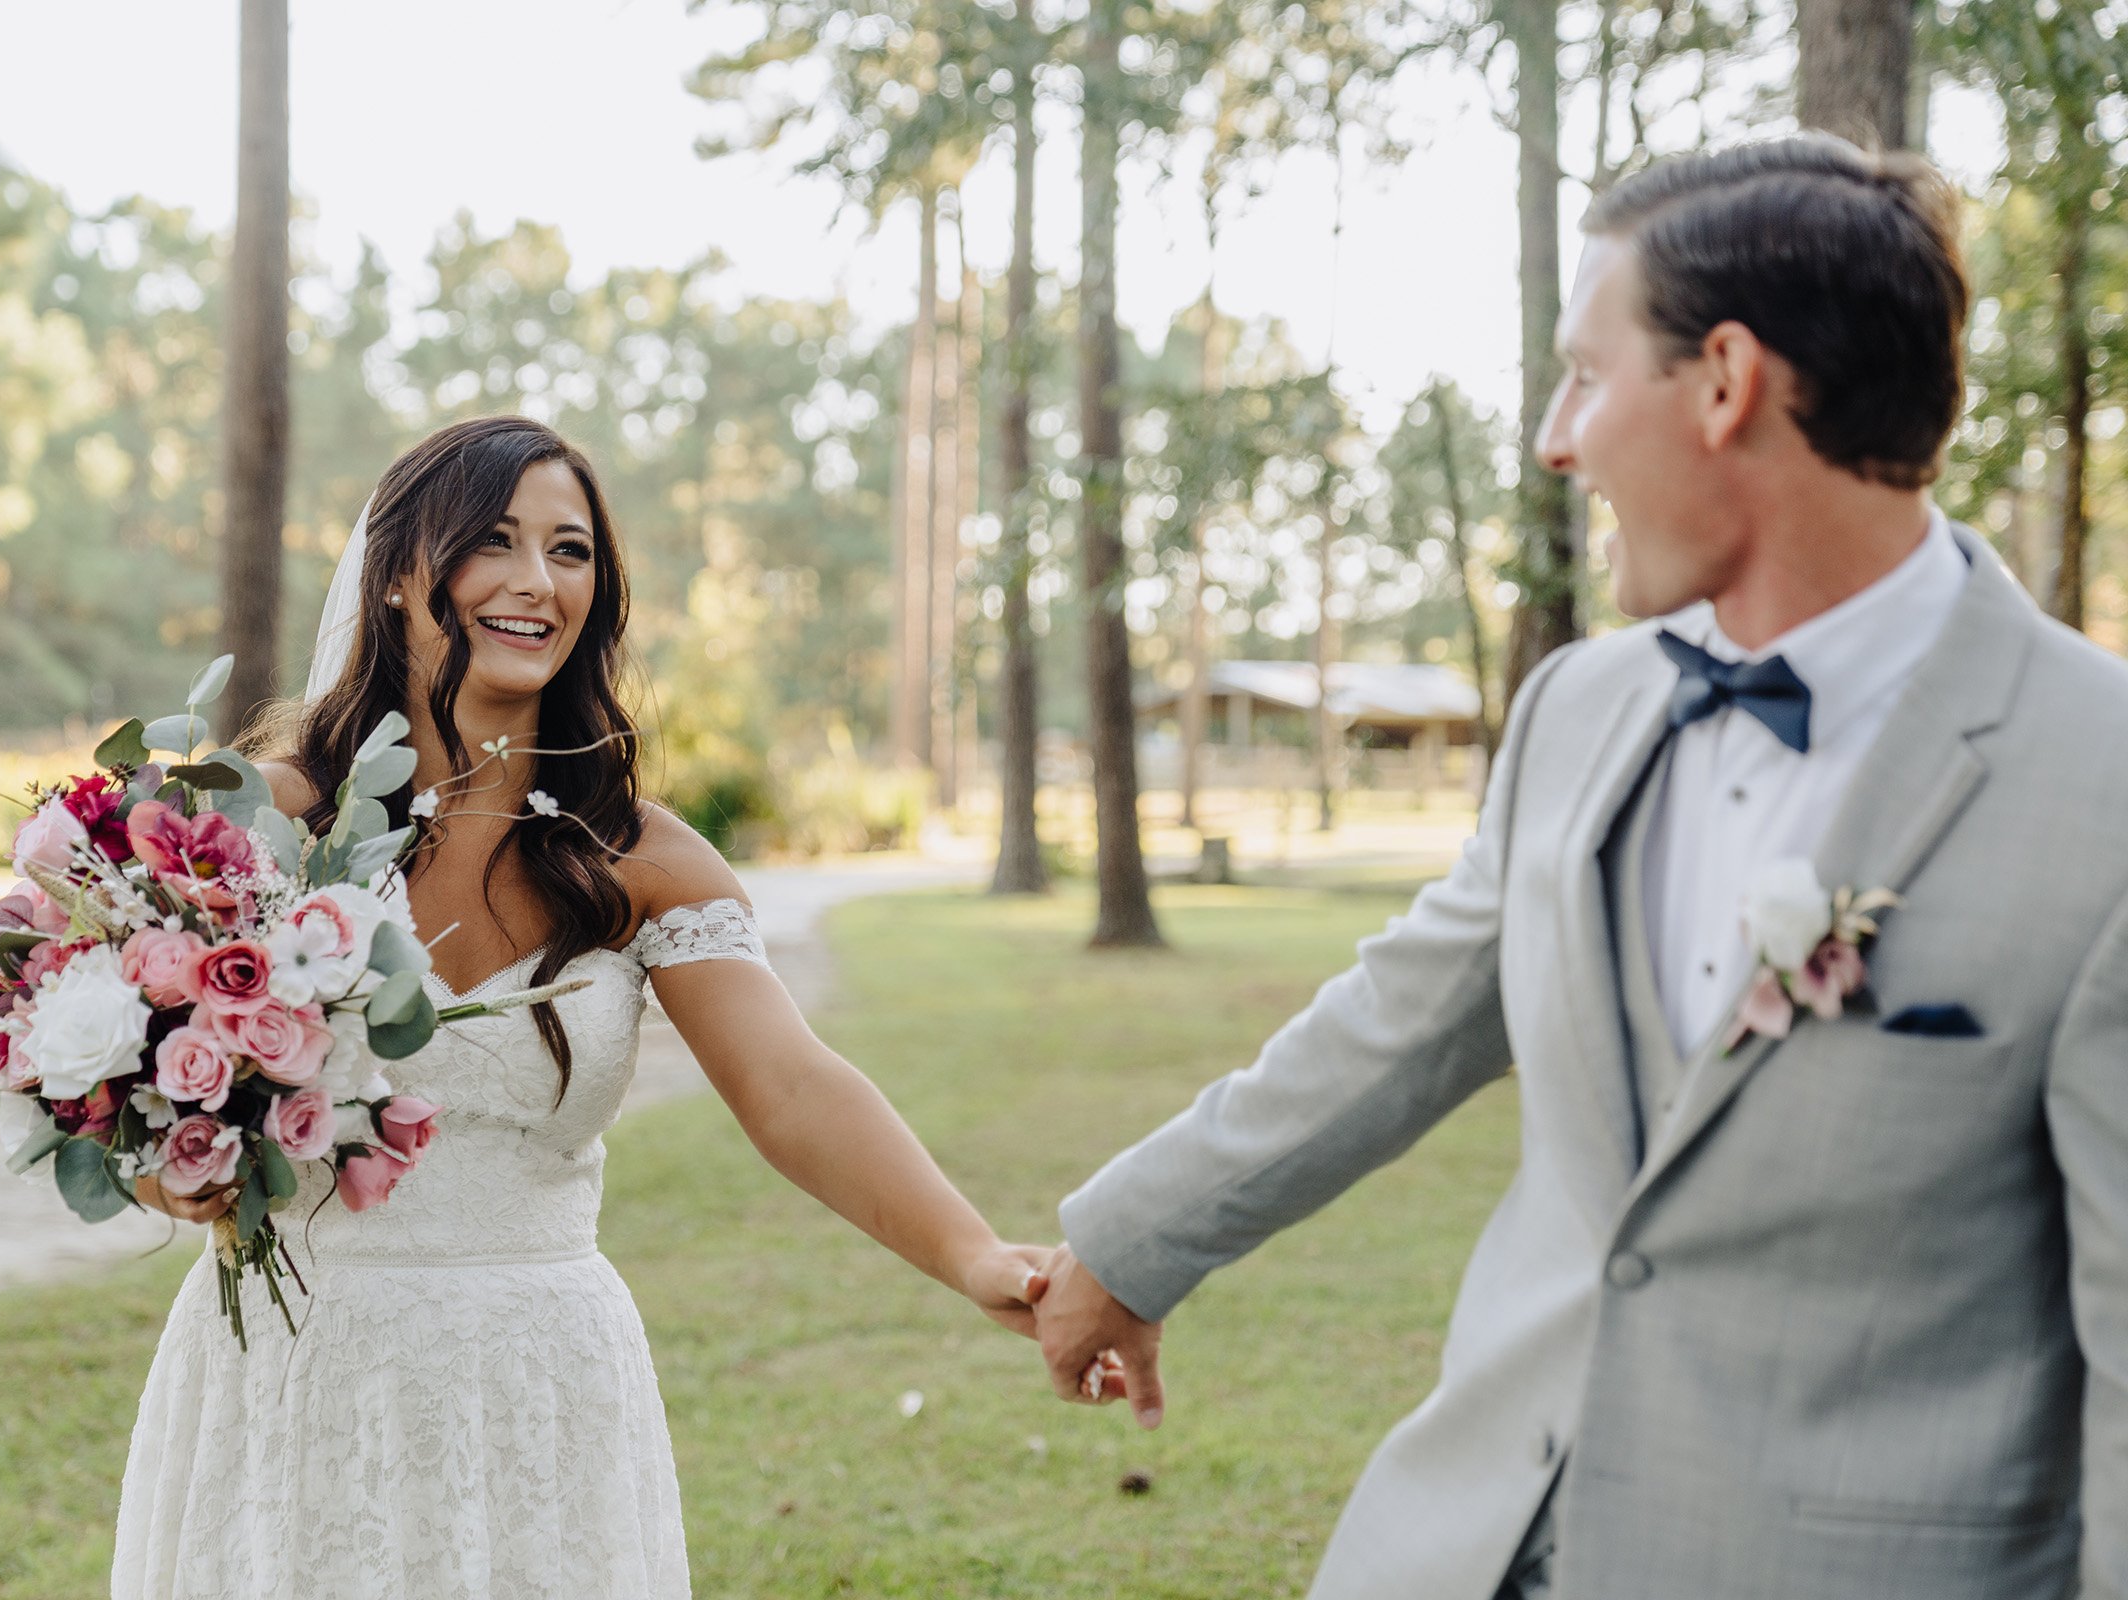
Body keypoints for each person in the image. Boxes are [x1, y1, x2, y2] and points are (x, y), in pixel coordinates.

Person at [1032, 136, 2128, 1600]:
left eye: (1586, 377)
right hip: (1471, 1543)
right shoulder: (1578, 709)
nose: (1558, 440)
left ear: (1727, 381)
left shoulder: (2101, 784)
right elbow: (1401, 1024)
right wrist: (1131, 1245)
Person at [111, 415, 1049, 1599]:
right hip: (298, 1369)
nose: (535, 580)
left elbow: (793, 1085)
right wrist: (170, 1175)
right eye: (492, 541)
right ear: (399, 574)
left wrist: (975, 1255)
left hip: (541, 1380)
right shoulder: (259, 829)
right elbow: (150, 1111)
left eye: (571, 550)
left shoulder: (643, 857)